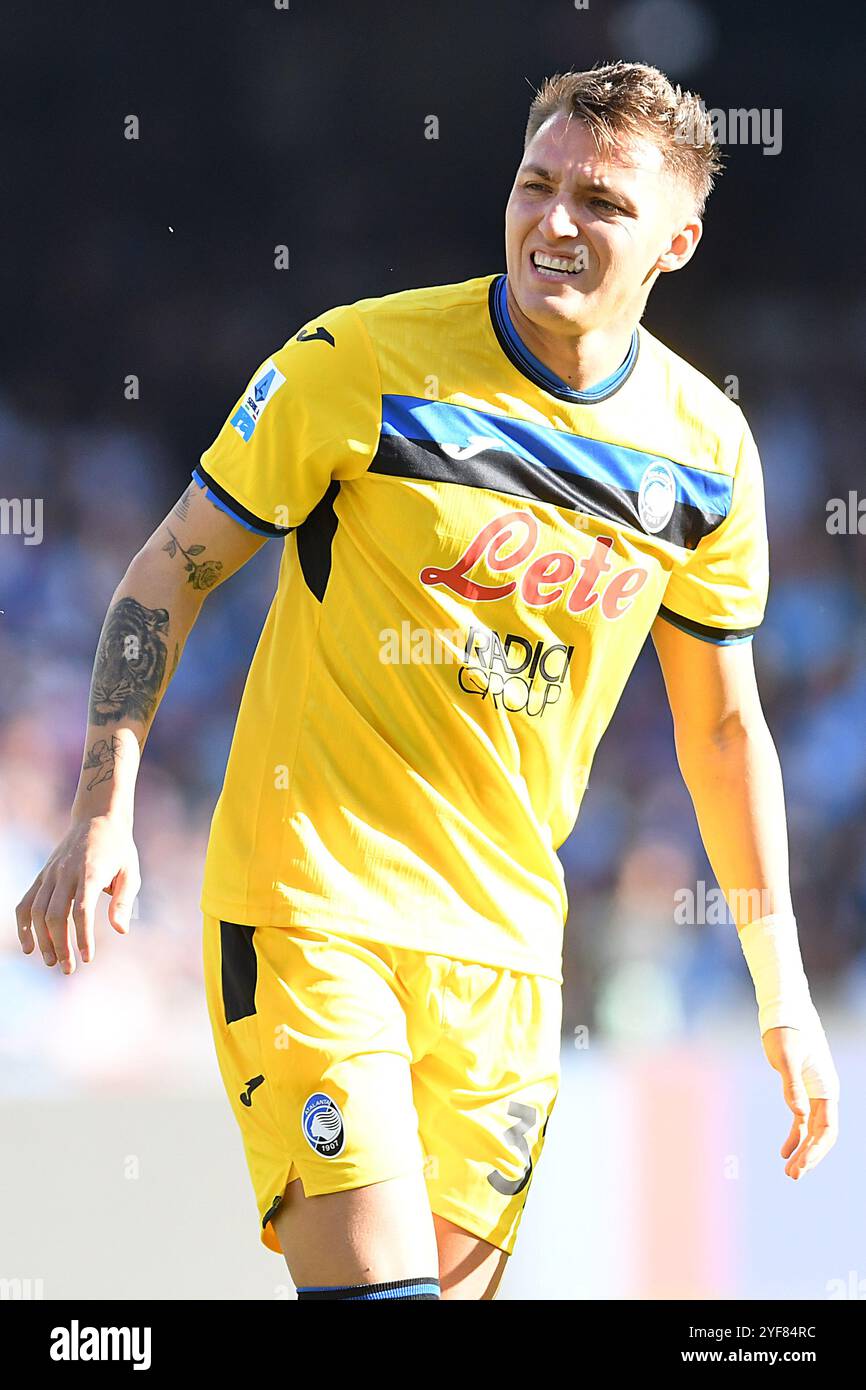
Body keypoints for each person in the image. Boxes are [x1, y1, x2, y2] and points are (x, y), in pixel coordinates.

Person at [15, 61, 839, 1301]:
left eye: (600, 203)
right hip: (311, 903)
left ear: (676, 237)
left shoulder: (705, 456)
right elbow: (164, 572)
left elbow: (721, 732)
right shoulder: (361, 360)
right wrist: (102, 807)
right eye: (533, 185)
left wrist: (782, 992)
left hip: (504, 952)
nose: (552, 222)